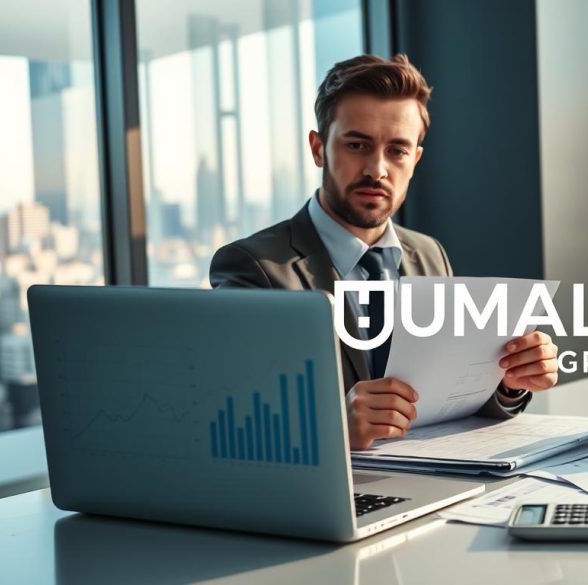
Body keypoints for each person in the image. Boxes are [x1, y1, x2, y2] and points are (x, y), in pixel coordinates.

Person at [210, 54, 558, 450]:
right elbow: (232, 419)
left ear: (415, 160)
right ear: (319, 148)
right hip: (322, 497)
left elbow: (448, 401)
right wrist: (334, 425)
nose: (377, 169)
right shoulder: (253, 268)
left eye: (397, 151)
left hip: (433, 481)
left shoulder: (429, 254)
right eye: (357, 144)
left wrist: (509, 383)